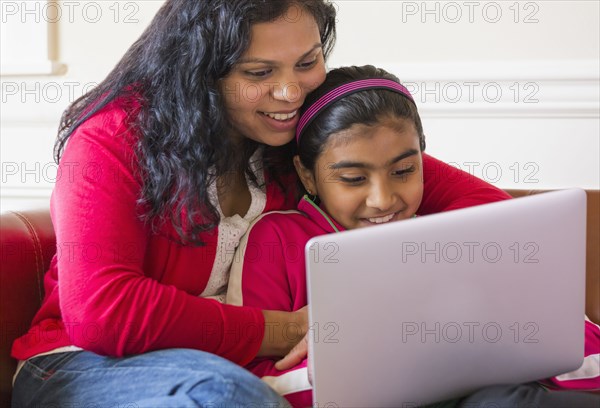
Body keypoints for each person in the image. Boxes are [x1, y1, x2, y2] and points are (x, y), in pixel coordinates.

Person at [11, 1, 517, 407]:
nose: (289, 91)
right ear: (200, 71)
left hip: (237, 366)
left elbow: (492, 218)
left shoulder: (294, 138)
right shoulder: (114, 138)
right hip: (87, 362)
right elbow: (103, 312)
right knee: (226, 395)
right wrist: (295, 327)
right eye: (258, 72)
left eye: (307, 62)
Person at [226, 65, 600, 407]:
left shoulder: (456, 237)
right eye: (353, 179)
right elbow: (255, 384)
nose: (383, 199)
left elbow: (586, 353)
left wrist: (485, 337)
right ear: (307, 175)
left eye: (404, 170)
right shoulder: (275, 239)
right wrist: (370, 350)